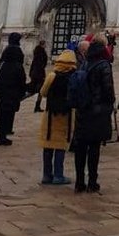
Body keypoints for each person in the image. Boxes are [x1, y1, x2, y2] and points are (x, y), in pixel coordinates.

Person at [72, 35, 115, 193]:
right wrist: (110, 105)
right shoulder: (104, 65)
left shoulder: (84, 63)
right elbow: (108, 89)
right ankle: (92, 181)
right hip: (97, 111)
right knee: (94, 148)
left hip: (83, 110)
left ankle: (79, 181)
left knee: (81, 147)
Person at [37, 48, 76, 185]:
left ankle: (47, 174)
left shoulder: (52, 75)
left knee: (48, 144)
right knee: (60, 145)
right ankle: (58, 174)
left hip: (50, 114)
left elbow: (43, 92)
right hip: (66, 114)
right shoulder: (74, 75)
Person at [0, 43, 27, 146]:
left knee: (2, 113)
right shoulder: (18, 67)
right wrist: (21, 93)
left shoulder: (3, 65)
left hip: (1, 94)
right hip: (12, 95)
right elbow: (22, 81)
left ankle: (1, 132)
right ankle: (3, 135)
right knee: (9, 114)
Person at [28, 40, 48, 111]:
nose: (46, 45)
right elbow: (40, 65)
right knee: (37, 90)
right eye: (45, 44)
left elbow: (34, 64)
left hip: (35, 73)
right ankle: (37, 106)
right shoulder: (41, 53)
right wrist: (42, 75)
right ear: (43, 44)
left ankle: (37, 106)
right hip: (38, 74)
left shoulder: (37, 52)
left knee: (36, 90)